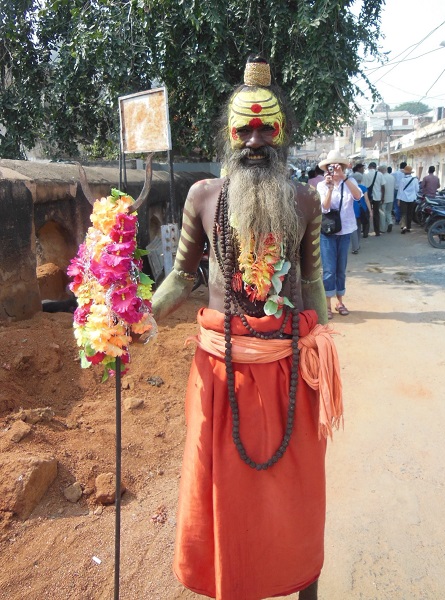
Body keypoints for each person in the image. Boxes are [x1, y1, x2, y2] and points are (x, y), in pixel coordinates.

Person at [151, 55, 342, 600]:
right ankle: (234, 582)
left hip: (288, 370)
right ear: (229, 134)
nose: (255, 139)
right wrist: (136, 318)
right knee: (226, 497)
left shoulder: (304, 199)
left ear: (281, 133)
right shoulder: (203, 197)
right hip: (221, 370)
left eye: (266, 127)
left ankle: (305, 583)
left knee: (299, 491)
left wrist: (324, 345)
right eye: (245, 128)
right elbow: (182, 277)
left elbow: (312, 280)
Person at [317, 150, 361, 317]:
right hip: (328, 232)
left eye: (337, 167)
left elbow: (358, 197)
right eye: (330, 167)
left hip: (345, 231)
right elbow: (325, 207)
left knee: (341, 269)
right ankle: (327, 305)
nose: (334, 170)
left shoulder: (350, 181)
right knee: (329, 269)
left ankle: (340, 302)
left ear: (343, 167)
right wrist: (329, 188)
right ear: (326, 169)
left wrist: (344, 178)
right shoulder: (322, 185)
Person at [350, 170, 372, 253]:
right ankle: (357, 245)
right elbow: (366, 200)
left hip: (352, 209)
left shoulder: (350, 188)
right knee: (358, 227)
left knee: (353, 228)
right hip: (362, 209)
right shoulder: (363, 188)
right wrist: (370, 210)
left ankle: (355, 246)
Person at [362, 161, 385, 236]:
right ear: (376, 167)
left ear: (369, 167)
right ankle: (377, 231)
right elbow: (383, 186)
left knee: (367, 214)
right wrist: (383, 197)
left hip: (368, 197)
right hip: (377, 197)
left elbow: (363, 187)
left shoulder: (366, 175)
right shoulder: (380, 174)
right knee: (376, 214)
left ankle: (366, 232)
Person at [397, 165, 419, 233]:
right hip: (412, 199)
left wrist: (398, 200)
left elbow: (400, 191)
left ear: (404, 172)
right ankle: (409, 227)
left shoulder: (402, 180)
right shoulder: (415, 180)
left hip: (403, 199)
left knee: (403, 213)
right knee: (410, 213)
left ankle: (404, 227)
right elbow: (417, 190)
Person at [378, 164, 395, 232]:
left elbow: (381, 188)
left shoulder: (382, 177)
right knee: (388, 212)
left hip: (383, 197)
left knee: (382, 213)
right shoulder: (392, 177)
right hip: (391, 197)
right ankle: (390, 222)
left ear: (382, 170)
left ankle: (382, 228)